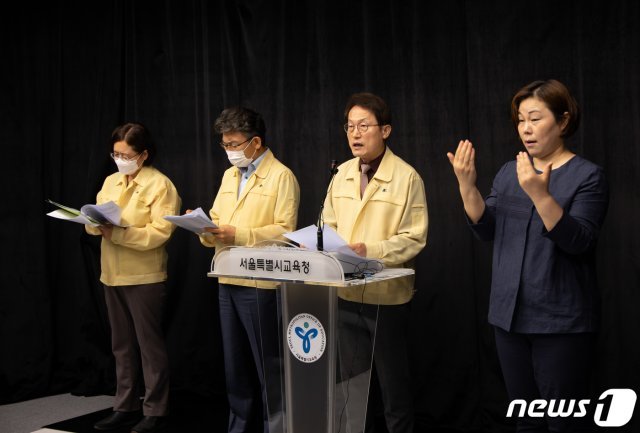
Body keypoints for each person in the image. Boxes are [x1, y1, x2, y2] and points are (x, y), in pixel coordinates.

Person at [447, 79, 609, 432]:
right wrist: (467, 186)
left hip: (561, 323)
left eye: (535, 118)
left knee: (563, 423)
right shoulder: (510, 172)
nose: (526, 129)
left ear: (563, 121)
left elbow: (579, 241)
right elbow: (487, 228)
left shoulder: (588, 176)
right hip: (509, 319)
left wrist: (540, 195)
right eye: (521, 120)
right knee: (526, 422)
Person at [323, 92, 428, 433]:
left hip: (387, 299)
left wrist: (371, 250)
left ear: (385, 131)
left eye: (364, 126)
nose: (355, 133)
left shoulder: (407, 177)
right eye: (350, 126)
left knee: (393, 391)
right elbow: (328, 223)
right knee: (352, 390)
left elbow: (414, 238)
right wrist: (328, 245)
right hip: (346, 294)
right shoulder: (341, 174)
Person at [196, 107, 300, 433]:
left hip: (260, 283)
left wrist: (237, 235)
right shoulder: (230, 175)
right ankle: (238, 427)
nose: (229, 151)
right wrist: (202, 227)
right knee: (234, 366)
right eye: (225, 145)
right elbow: (216, 216)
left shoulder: (282, 176)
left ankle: (276, 427)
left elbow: (286, 232)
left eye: (234, 144)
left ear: (255, 142)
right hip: (227, 277)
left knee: (267, 365)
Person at [87, 123, 181, 433]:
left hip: (144, 275)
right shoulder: (111, 181)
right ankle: (124, 404)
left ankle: (155, 408)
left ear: (143, 155)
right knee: (121, 345)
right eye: (115, 154)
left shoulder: (161, 185)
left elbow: (160, 233)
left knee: (148, 345)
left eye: (126, 155)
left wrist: (118, 234)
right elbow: (93, 221)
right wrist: (93, 224)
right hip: (111, 272)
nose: (119, 160)